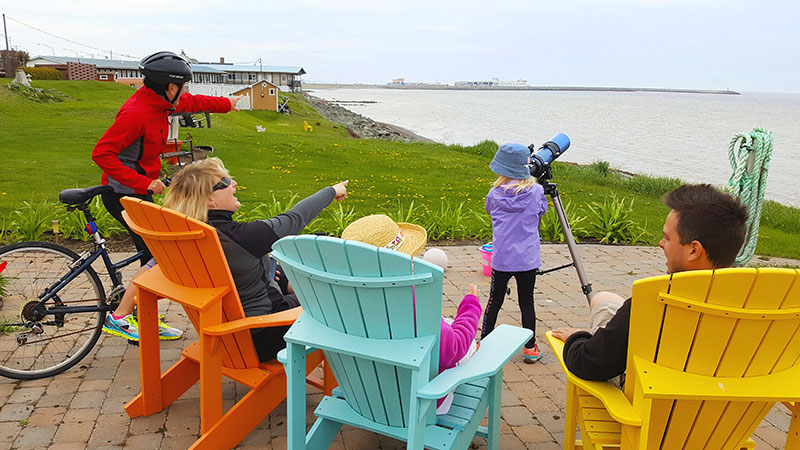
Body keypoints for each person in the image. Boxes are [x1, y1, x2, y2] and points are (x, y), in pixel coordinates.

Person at [95, 51, 241, 341]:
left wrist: (227, 103)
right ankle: (123, 318)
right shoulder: (136, 113)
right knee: (158, 256)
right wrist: (144, 183)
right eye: (183, 86)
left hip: (136, 191)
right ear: (171, 87)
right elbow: (102, 153)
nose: (184, 91)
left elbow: (191, 102)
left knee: (152, 254)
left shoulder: (159, 102)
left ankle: (141, 317)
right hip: (123, 193)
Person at [550, 184, 748, 386]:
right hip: (720, 404)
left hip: (650, 400)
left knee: (603, 305)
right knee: (604, 300)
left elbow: (591, 364)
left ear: (694, 251)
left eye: (667, 237)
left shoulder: (650, 303)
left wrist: (576, 339)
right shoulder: (753, 305)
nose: (661, 243)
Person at [155, 157, 347, 362]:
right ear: (210, 200)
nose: (234, 184)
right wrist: (331, 191)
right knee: (340, 297)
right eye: (227, 181)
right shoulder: (240, 238)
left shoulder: (188, 234)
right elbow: (293, 219)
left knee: (279, 271)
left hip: (225, 331)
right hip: (265, 333)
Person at [341, 214, 482, 414]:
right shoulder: (413, 300)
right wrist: (471, 307)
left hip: (363, 395)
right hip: (419, 401)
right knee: (469, 346)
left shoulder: (340, 300)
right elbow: (453, 350)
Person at [480, 143, 548, 363]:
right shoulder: (537, 191)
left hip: (501, 259)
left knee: (494, 300)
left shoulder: (493, 194)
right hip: (527, 259)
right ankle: (530, 348)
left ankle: (484, 341)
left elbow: (490, 210)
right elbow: (541, 211)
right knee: (526, 302)